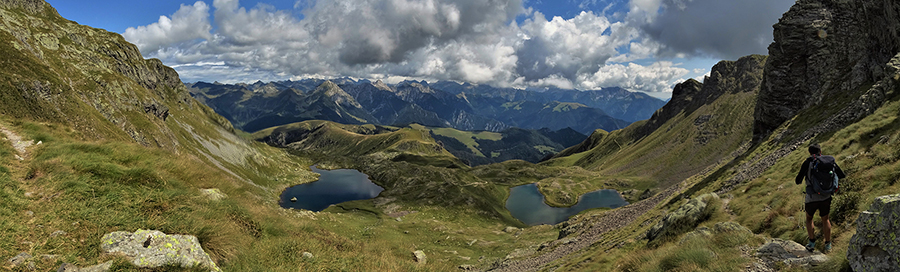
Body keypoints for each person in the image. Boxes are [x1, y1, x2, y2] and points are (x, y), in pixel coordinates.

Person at [795, 143, 845, 253]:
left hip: (812, 197)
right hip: (826, 196)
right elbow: (841, 175)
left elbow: (798, 180)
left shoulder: (808, 162)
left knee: (809, 218)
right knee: (825, 219)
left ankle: (812, 243)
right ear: (820, 151)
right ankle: (828, 245)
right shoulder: (828, 162)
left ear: (810, 152)